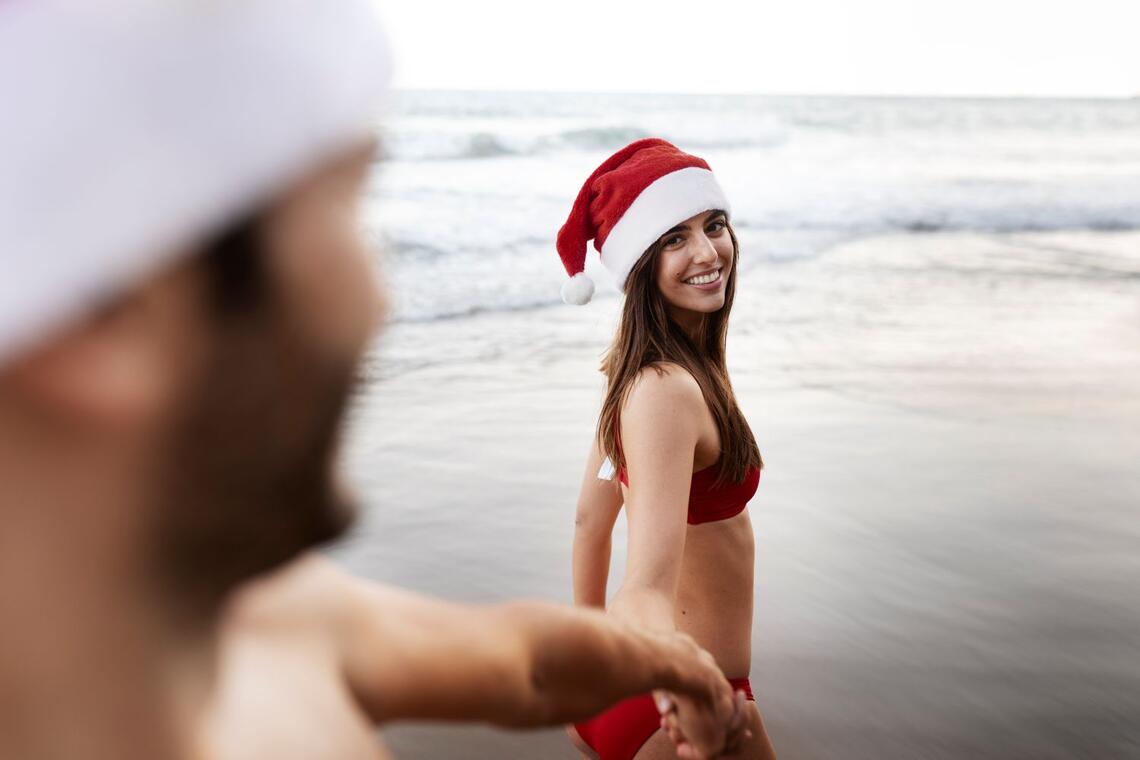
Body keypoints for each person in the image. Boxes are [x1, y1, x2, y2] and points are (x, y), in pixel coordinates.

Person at [0, 3, 748, 759]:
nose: (379, 295)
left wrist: (682, 675)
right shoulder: (279, 649)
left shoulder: (279, 619)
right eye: (340, 205)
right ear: (115, 314)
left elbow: (534, 664)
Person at [555, 139, 779, 759]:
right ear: (640, 264)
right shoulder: (666, 390)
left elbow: (588, 522)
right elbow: (646, 587)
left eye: (714, 225)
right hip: (697, 695)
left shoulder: (635, 372)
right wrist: (692, 692)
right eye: (674, 239)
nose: (708, 252)